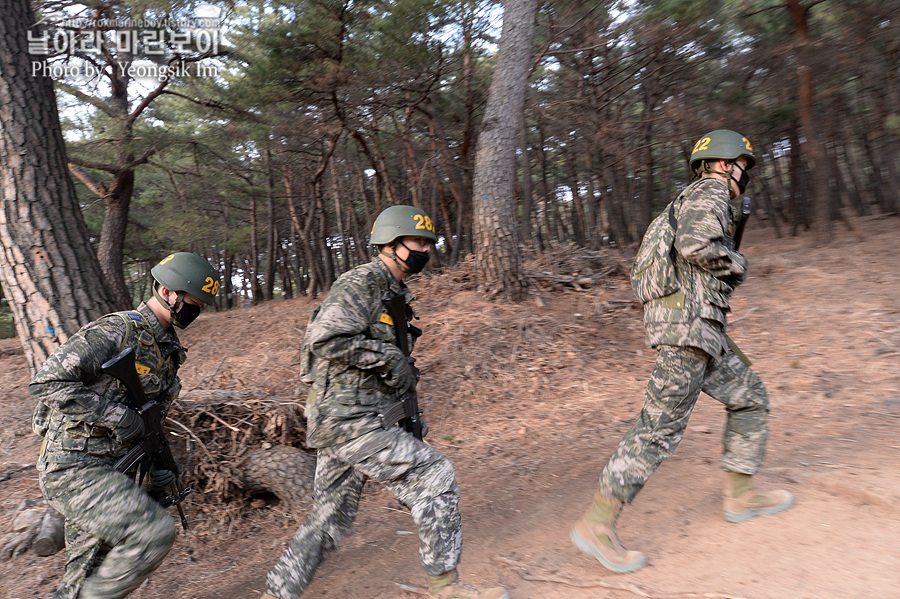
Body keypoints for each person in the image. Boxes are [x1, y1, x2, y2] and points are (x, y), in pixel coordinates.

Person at [570, 130, 793, 574]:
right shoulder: (710, 191)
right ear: (723, 163)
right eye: (742, 165)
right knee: (659, 428)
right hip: (688, 329)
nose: (745, 173)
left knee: (749, 395)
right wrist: (737, 263)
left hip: (702, 329)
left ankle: (740, 493)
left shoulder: (700, 196)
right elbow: (695, 245)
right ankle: (597, 524)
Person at [260, 205, 508, 599]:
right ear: (391, 243)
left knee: (329, 519)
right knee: (434, 475)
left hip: (354, 418)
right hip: (347, 419)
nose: (425, 249)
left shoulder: (393, 293)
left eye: (429, 242)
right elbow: (324, 340)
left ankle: (276, 594)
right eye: (418, 241)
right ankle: (446, 587)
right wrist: (388, 358)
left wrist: (405, 412)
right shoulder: (363, 282)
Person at [30, 252, 220, 599]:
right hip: (74, 468)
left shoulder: (167, 350)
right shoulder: (117, 330)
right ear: (166, 292)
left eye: (201, 305)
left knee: (87, 571)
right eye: (193, 302)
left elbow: (148, 422)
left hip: (113, 470)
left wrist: (157, 474)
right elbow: (47, 382)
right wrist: (117, 417)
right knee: (152, 533)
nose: (197, 311)